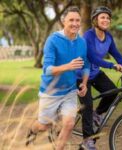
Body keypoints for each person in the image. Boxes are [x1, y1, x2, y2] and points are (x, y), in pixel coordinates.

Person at [26, 6, 90, 150]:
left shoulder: (82, 42)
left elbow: (86, 65)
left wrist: (84, 83)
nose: (75, 23)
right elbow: (47, 70)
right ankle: (32, 130)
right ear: (63, 21)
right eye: (71, 20)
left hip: (70, 91)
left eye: (77, 20)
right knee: (44, 125)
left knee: (68, 124)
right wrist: (68, 66)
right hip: (50, 92)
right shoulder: (53, 40)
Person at [77, 6, 122, 150]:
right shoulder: (88, 36)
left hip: (95, 73)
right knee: (87, 105)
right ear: (95, 20)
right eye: (102, 17)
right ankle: (87, 140)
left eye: (108, 18)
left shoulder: (108, 37)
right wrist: (112, 66)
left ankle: (97, 115)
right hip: (80, 75)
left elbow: (117, 55)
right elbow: (92, 57)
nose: (106, 20)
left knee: (113, 92)